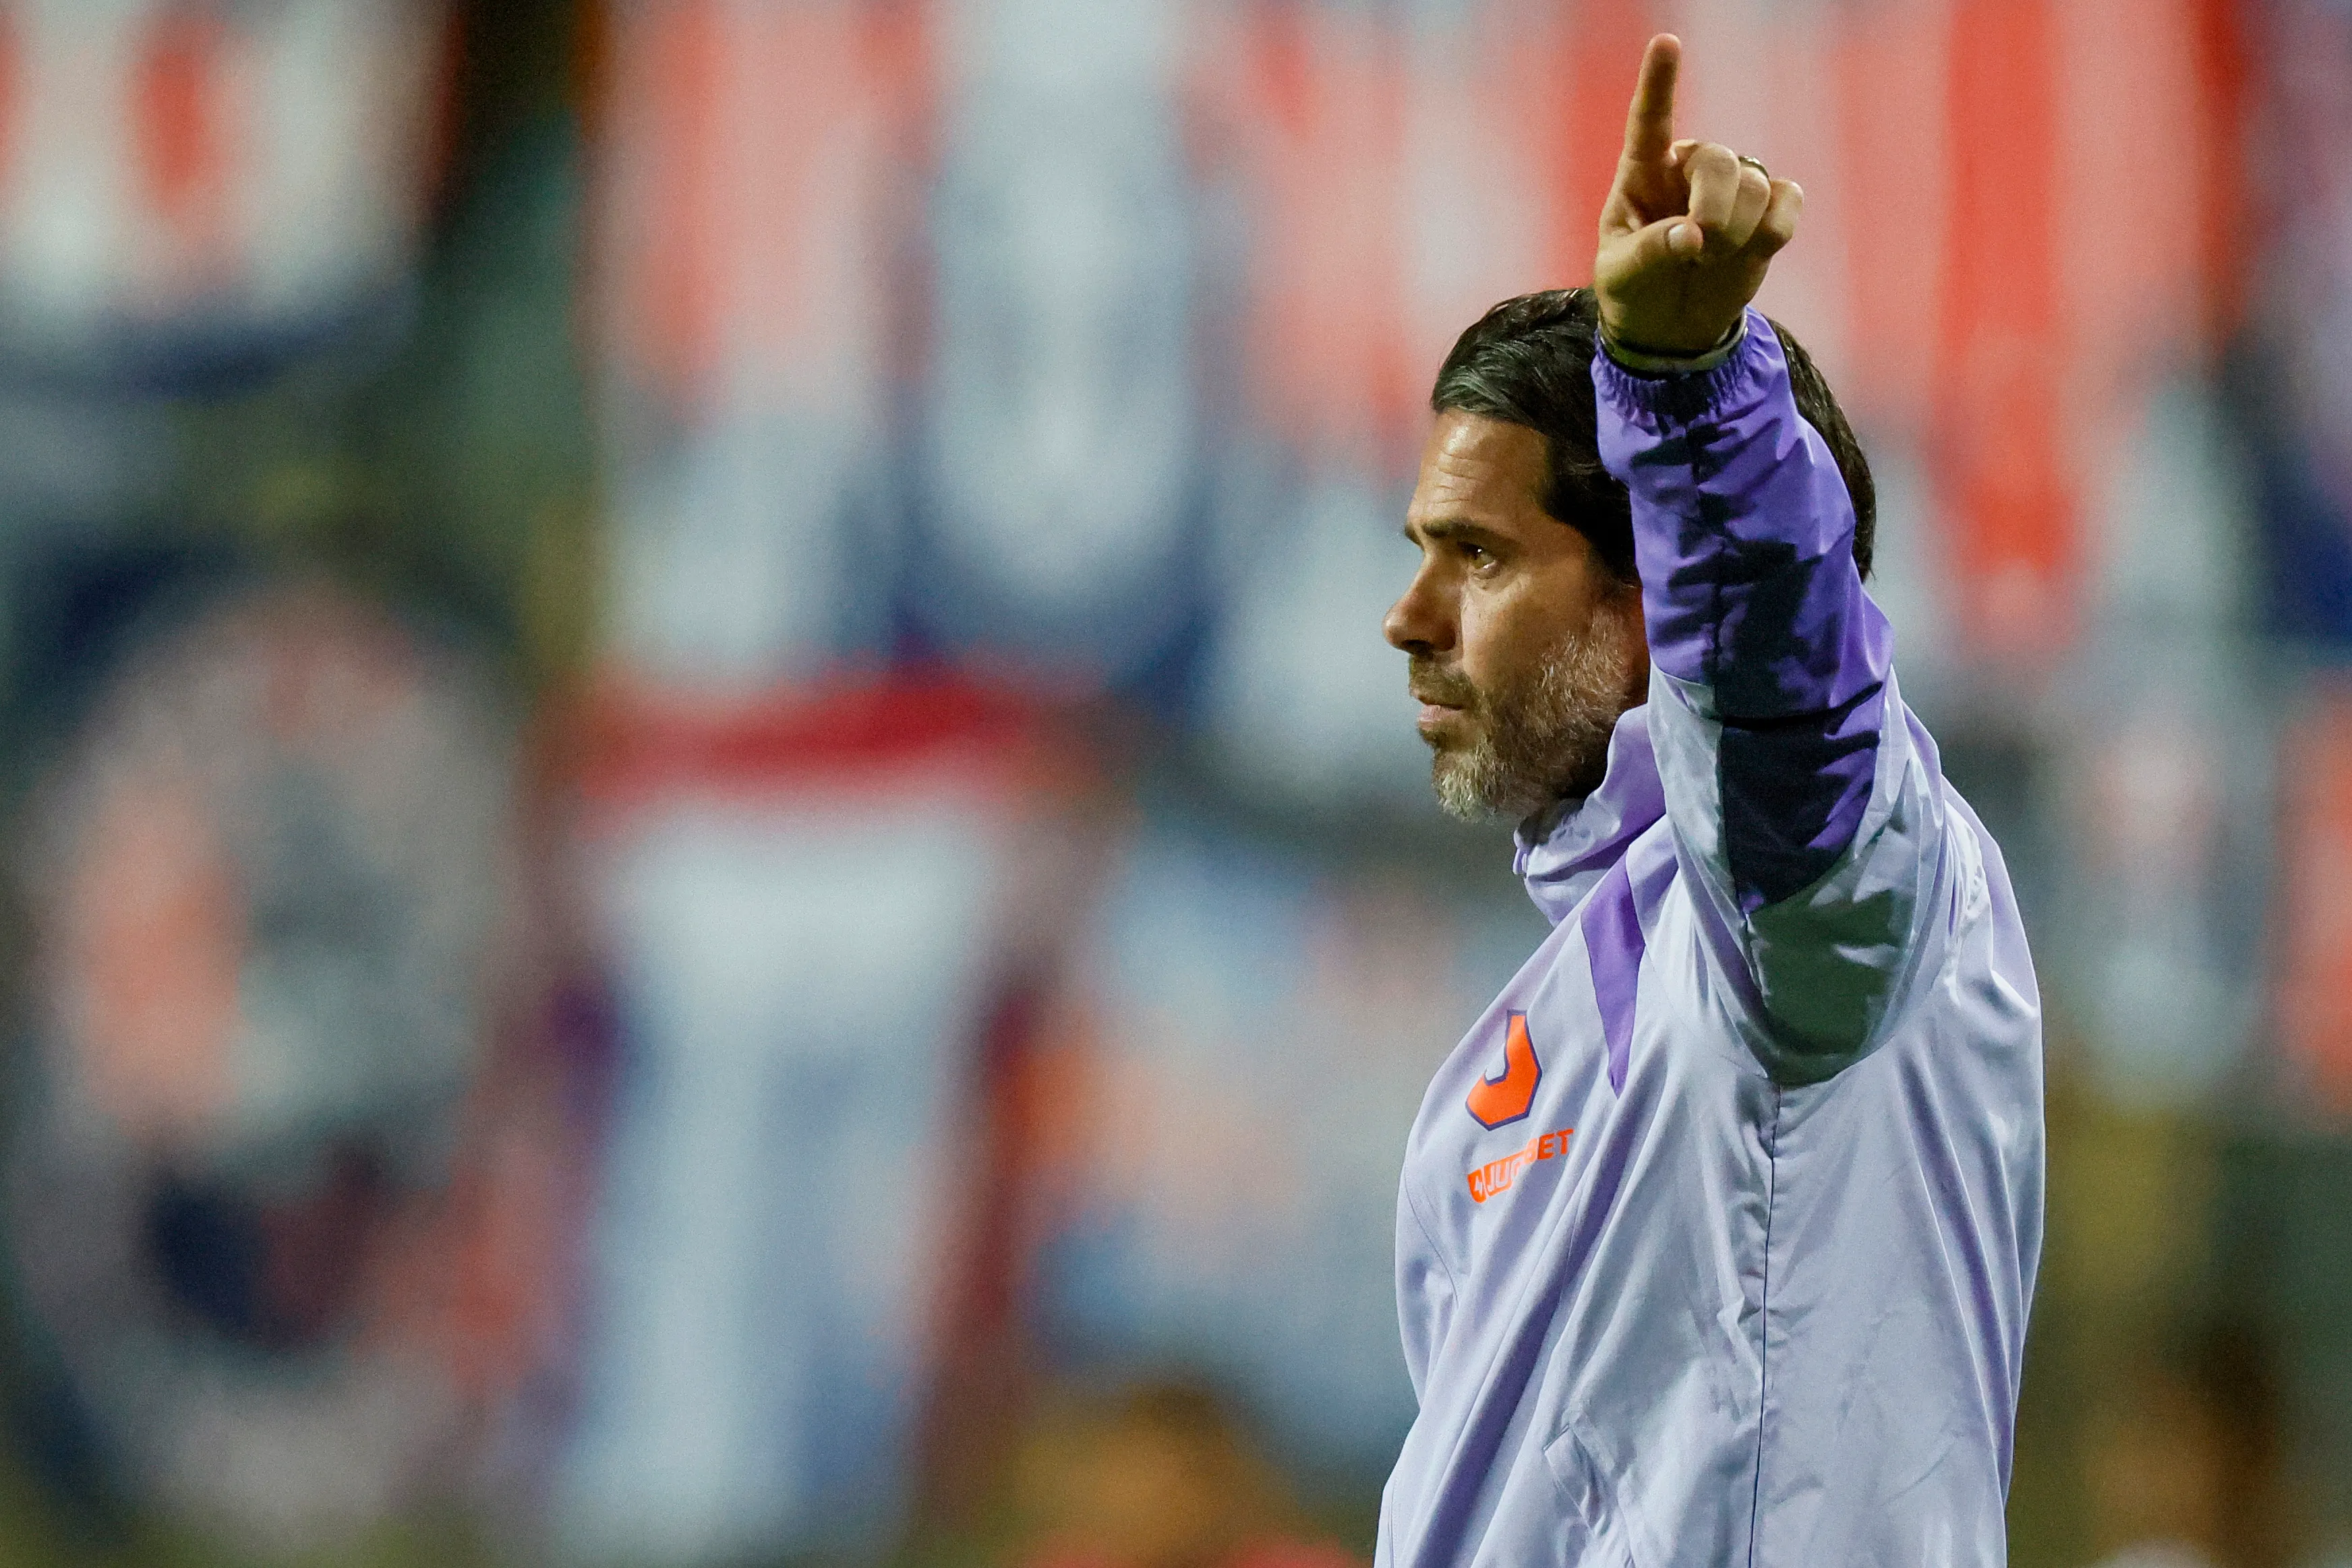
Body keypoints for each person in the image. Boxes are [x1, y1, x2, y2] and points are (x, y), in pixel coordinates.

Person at [1375, 34, 2043, 1567]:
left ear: (1647, 598)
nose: (1408, 614)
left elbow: (1782, 718)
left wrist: (1684, 401)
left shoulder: (1824, 912)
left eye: (1476, 554)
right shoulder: (1513, 1050)